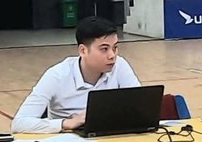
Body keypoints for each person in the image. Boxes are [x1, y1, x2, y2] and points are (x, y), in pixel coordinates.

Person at [11, 16, 140, 133]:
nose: (112, 55)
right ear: (83, 51)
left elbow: (140, 108)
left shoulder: (120, 65)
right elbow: (19, 123)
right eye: (104, 49)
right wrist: (67, 123)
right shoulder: (57, 75)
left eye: (115, 48)